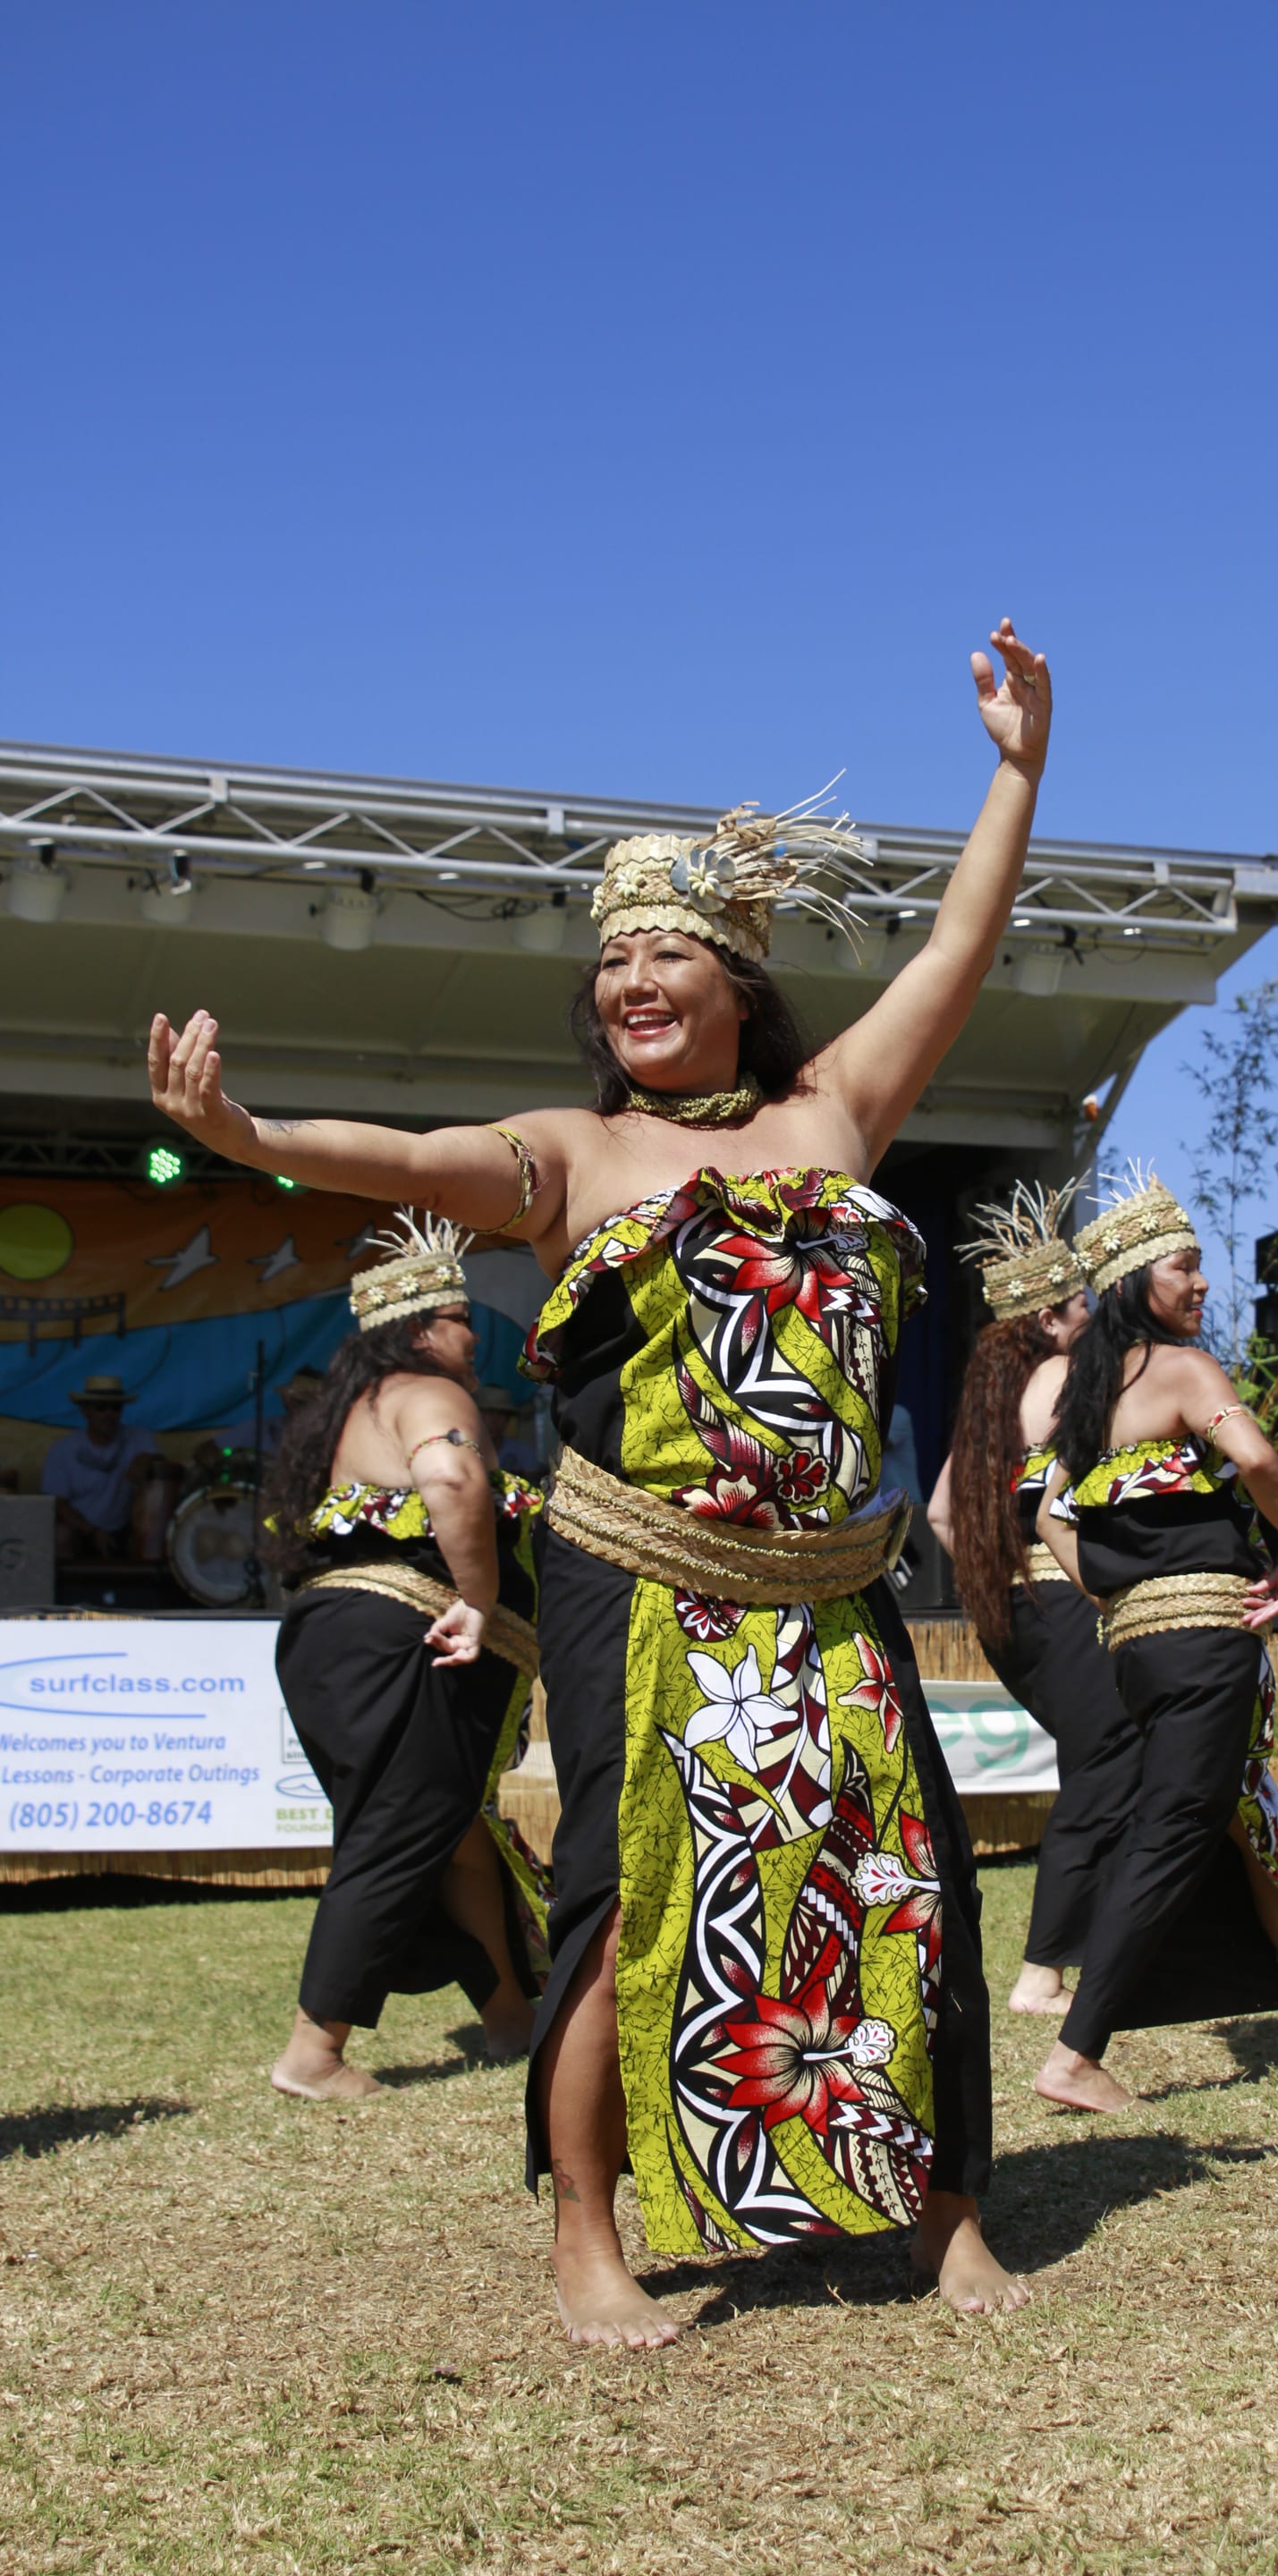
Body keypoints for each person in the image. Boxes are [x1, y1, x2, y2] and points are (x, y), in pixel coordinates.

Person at [147, 615, 1051, 2343]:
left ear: (736, 980)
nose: (634, 985)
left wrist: (1018, 771)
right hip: (636, 1574)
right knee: (627, 1887)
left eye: (668, 961)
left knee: (907, 1866)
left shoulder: (832, 1115)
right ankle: (589, 2233)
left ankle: (942, 2213)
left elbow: (959, 944)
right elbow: (410, 1156)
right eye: (613, 966)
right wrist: (252, 1138)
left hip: (833, 1587)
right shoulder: (572, 1158)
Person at [1033, 1170, 1278, 2114]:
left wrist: (1118, 1589)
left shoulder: (1088, 1397)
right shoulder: (1180, 1369)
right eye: (1185, 1266)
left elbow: (1046, 1511)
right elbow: (1256, 1461)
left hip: (1139, 1649)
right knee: (1172, 1833)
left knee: (1243, 1822)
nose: (1202, 1283)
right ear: (1134, 1281)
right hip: (1207, 1641)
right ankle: (1075, 2053)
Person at [260, 1216, 550, 2101]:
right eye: (461, 1316)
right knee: (398, 1830)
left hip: (329, 1639)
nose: (473, 1331)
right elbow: (455, 1482)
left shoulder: (347, 1409)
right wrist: (477, 1596)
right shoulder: (428, 1393)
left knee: (451, 1833)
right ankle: (313, 2053)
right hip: (405, 1639)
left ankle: (511, 2016)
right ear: (423, 1327)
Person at [927, 1183, 1144, 2019]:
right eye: (1081, 1302)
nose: (1092, 1313)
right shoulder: (1063, 1375)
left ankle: (1093, 1953)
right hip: (1062, 1607)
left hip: (1017, 1620)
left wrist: (999, 1582)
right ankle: (1042, 1973)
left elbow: (944, 1511)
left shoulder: (990, 1396)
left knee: (1099, 1760)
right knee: (1106, 1761)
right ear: (1049, 1319)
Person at [41, 1376, 173, 1561]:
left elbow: (166, 1470)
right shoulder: (63, 1450)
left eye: (115, 1407)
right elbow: (58, 1504)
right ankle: (69, 1589)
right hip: (81, 1530)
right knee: (61, 1534)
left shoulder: (139, 1438)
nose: (109, 1413)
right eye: (101, 1407)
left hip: (127, 1530)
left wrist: (149, 1459)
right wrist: (92, 1531)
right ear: (85, 1411)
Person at [477, 1383, 547, 1484]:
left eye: (501, 1413)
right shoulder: (466, 1452)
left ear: (508, 1419)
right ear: (476, 1415)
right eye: (488, 1412)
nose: (494, 1420)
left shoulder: (524, 1452)